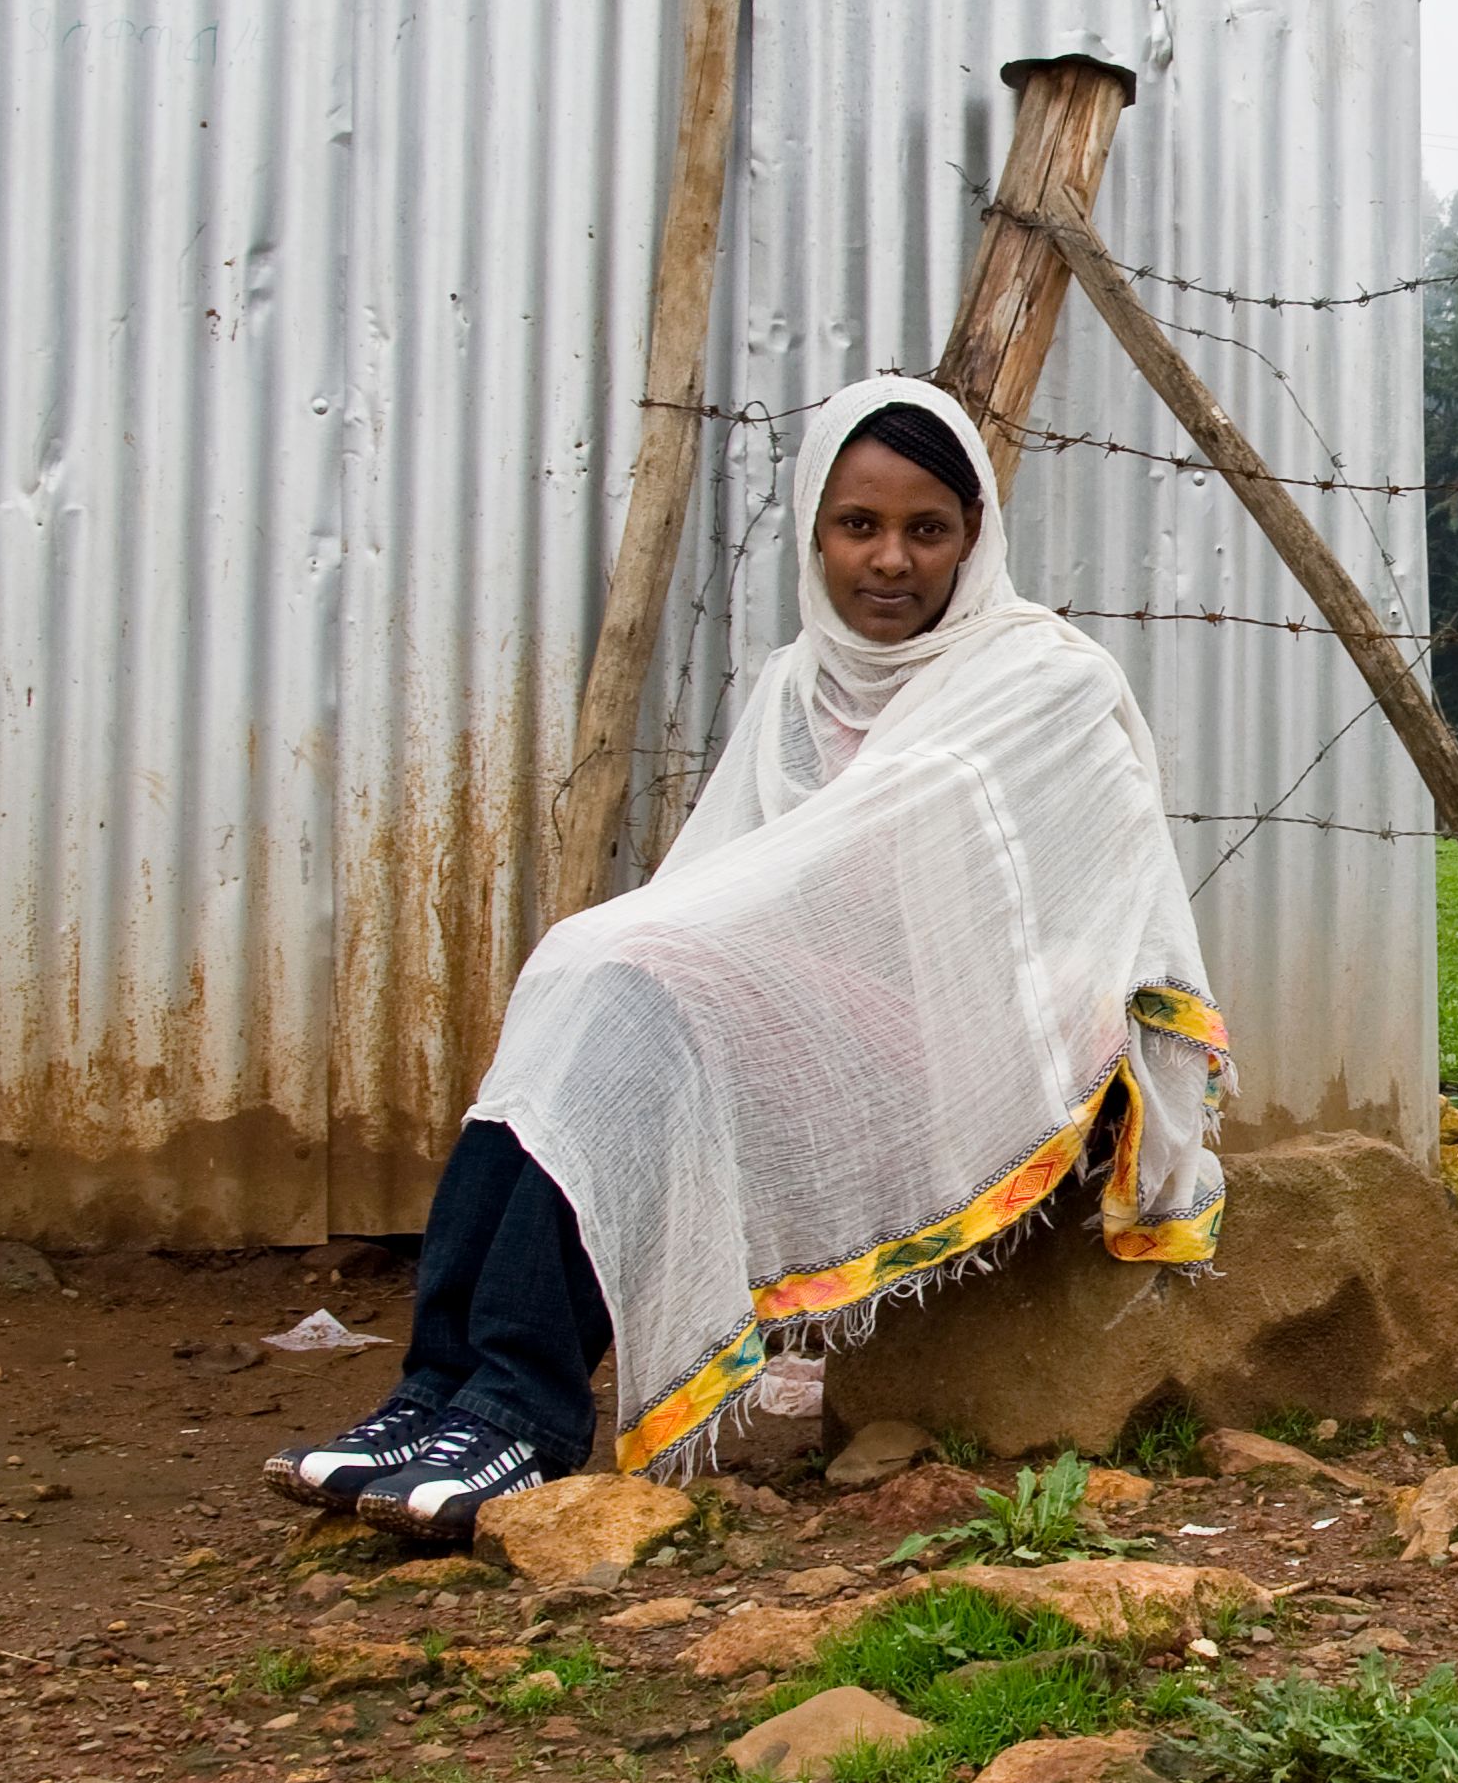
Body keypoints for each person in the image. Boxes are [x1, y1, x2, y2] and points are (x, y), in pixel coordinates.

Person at [270, 376, 1233, 1538]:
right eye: (857, 526)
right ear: (814, 535)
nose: (889, 560)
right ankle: (442, 1389)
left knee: (635, 973)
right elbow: (746, 894)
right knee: (590, 976)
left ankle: (524, 1414)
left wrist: (717, 970)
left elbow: (1007, 926)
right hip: (841, 1026)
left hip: (1006, 1059)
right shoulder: (798, 684)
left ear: (975, 541)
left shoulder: (1043, 682)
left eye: (927, 530)